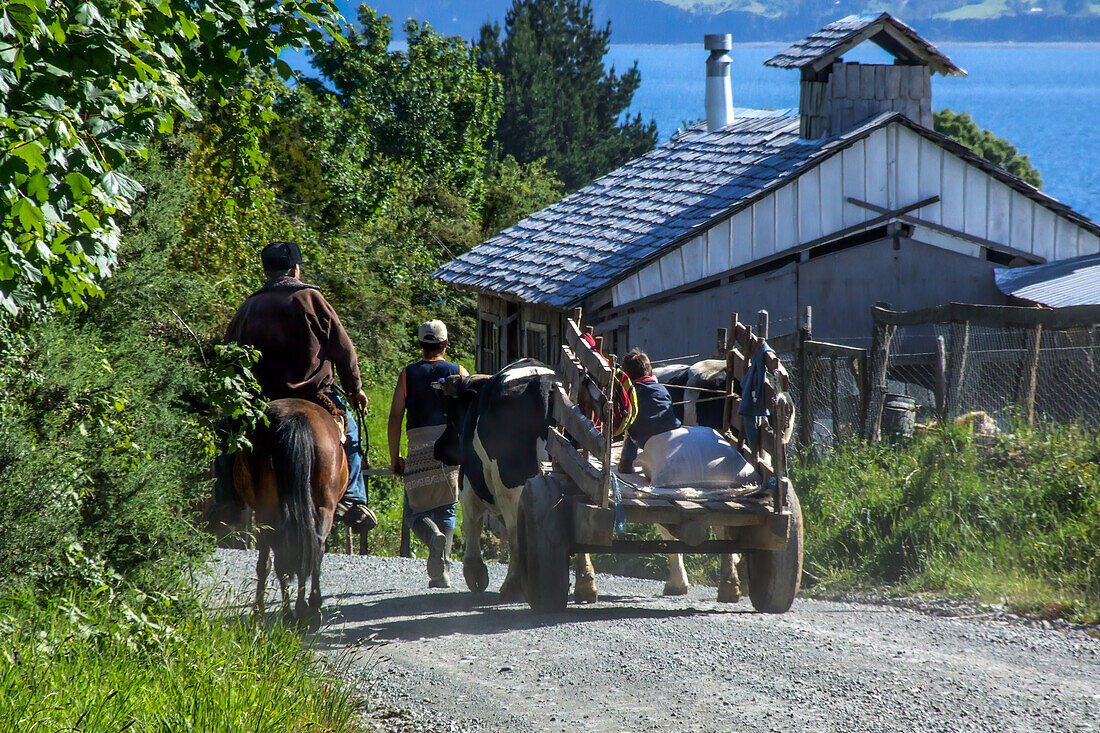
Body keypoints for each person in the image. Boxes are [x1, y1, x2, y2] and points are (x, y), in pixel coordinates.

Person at [213, 240, 377, 530]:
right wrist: (354, 389)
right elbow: (341, 346)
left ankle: (227, 501)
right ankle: (352, 499)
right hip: (316, 396)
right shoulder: (312, 299)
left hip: (260, 401)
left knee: (225, 430)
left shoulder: (250, 306)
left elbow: (229, 355)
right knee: (350, 432)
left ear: (266, 270)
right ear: (294, 269)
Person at [388, 320, 467, 588]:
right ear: (446, 344)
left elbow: (395, 417)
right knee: (447, 507)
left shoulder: (407, 374)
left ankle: (431, 536)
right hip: (450, 450)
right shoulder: (458, 371)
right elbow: (469, 413)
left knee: (414, 511)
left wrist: (395, 456)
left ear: (420, 345)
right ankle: (442, 570)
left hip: (419, 450)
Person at [617, 348, 682, 474]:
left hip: (644, 438)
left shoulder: (630, 392)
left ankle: (626, 464)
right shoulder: (662, 389)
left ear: (626, 376)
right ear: (651, 372)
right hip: (671, 434)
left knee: (629, 428)